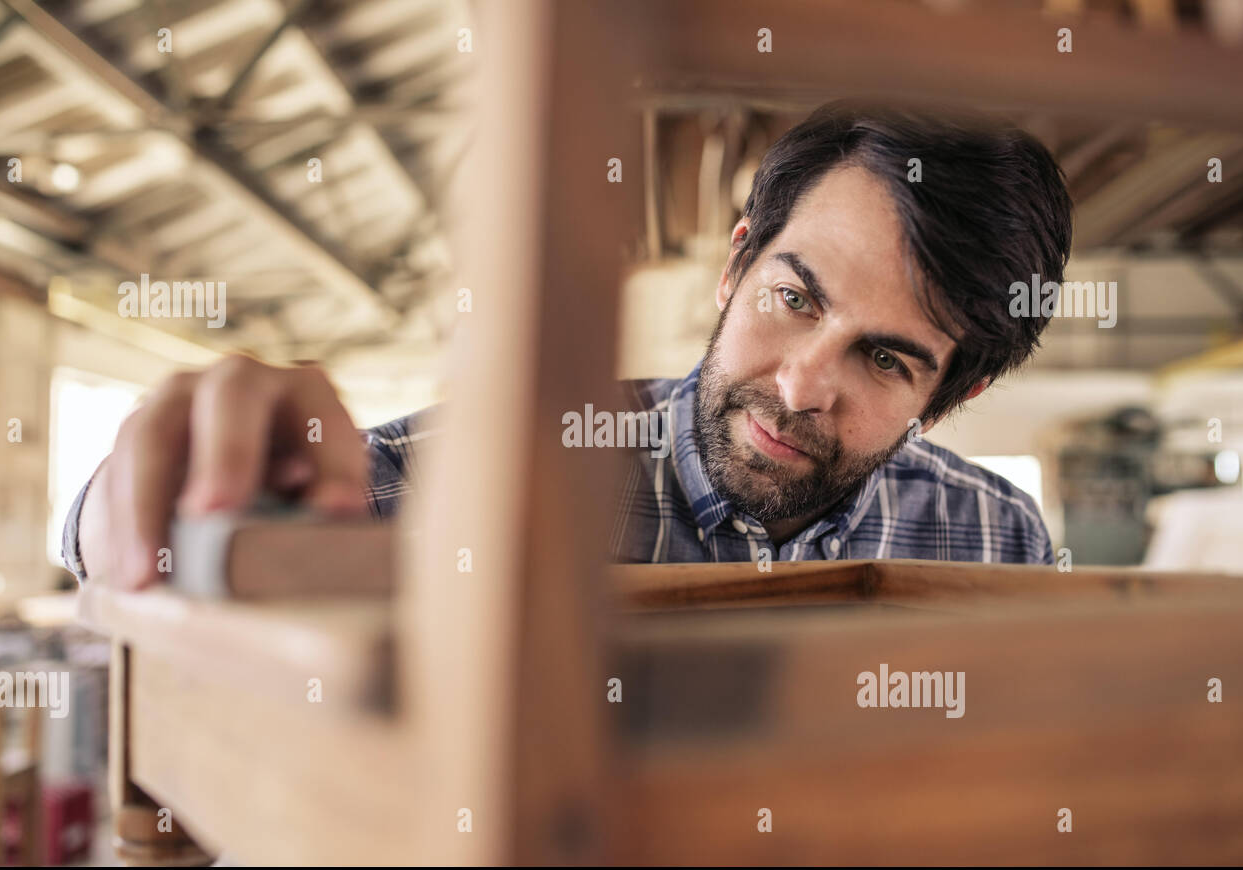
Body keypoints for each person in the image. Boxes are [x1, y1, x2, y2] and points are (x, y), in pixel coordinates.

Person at [63, 102, 1073, 587]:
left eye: (885, 359)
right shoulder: (476, 477)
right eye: (792, 298)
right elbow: (134, 541)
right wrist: (154, 485)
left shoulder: (999, 544)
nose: (803, 384)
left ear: (954, 394)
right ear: (733, 268)